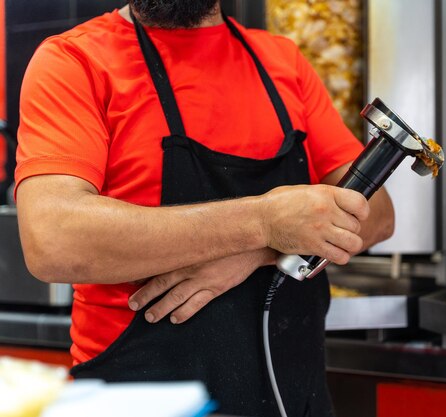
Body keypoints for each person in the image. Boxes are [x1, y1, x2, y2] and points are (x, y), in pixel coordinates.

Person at [15, 1, 394, 416]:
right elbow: (53, 239)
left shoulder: (279, 61)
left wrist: (257, 251)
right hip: (137, 397)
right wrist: (263, 223)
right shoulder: (74, 60)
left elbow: (376, 213)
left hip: (291, 395)